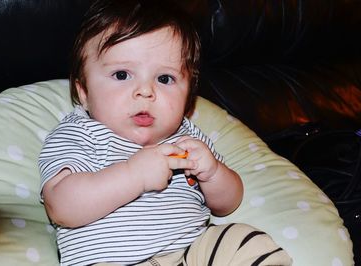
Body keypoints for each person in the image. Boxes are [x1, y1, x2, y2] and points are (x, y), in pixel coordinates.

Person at [38, 0, 292, 265]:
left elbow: (228, 203)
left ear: (188, 96)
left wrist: (213, 172)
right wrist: (134, 175)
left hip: (191, 254)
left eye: (165, 79)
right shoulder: (79, 133)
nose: (146, 91)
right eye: (122, 74)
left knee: (242, 240)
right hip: (115, 261)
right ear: (84, 93)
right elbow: (62, 207)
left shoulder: (187, 138)